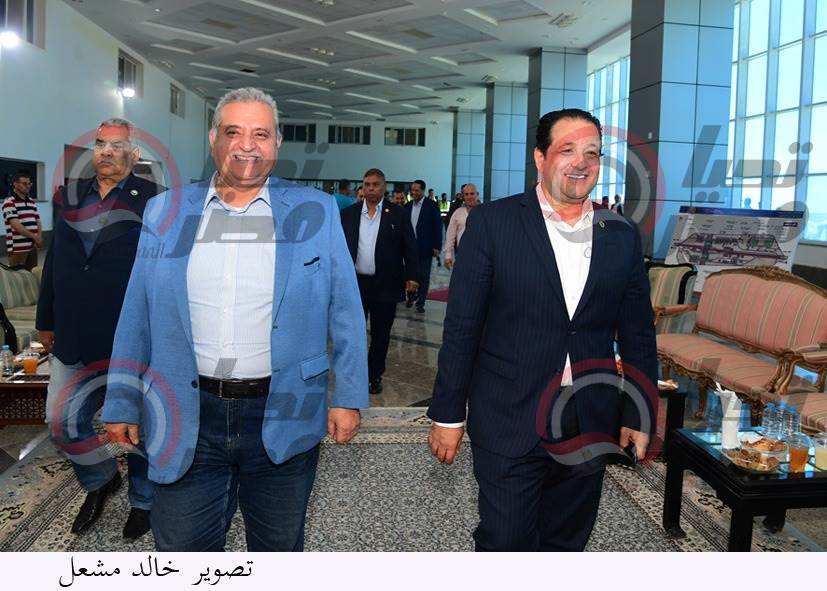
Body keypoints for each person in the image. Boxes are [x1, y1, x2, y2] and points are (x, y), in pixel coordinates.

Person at [101, 88, 368, 551]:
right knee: (182, 552)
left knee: (278, 552)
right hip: (185, 411)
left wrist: (347, 397)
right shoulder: (164, 211)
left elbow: (345, 310)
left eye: (261, 134)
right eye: (233, 132)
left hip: (284, 409)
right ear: (213, 139)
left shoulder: (317, 211)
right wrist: (121, 400)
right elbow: (136, 311)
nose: (247, 145)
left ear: (277, 142)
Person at [427, 108, 657, 552]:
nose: (581, 163)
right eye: (567, 150)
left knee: (566, 542)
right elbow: (462, 328)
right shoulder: (493, 223)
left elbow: (638, 334)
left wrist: (638, 413)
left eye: (593, 153)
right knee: (506, 540)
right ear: (540, 157)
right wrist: (449, 415)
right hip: (510, 413)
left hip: (588, 418)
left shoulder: (621, 234)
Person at [36, 118, 164, 539]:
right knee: (61, 421)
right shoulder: (69, 195)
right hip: (73, 333)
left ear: (134, 154)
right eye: (100, 143)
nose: (107, 151)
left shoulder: (156, 199)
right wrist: (46, 320)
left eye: (117, 144)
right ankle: (101, 478)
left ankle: (143, 502)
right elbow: (56, 259)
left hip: (131, 337)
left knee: (137, 428)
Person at [341, 168, 418, 395]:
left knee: (381, 333)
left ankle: (374, 374)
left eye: (375, 184)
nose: (371, 188)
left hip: (386, 284)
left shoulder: (398, 214)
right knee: (354, 333)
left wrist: (413, 277)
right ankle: (354, 374)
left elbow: (410, 247)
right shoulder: (349, 214)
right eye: (367, 184)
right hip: (356, 285)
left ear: (384, 187)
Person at [404, 179, 442, 313]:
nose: (413, 192)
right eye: (412, 190)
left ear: (423, 191)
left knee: (423, 276)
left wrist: (437, 246)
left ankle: (421, 302)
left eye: (416, 190)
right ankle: (411, 297)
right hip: (409, 248)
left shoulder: (431, 206)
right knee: (410, 275)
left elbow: (438, 226)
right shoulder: (407, 206)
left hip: (425, 247)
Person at [3, 172, 42, 269]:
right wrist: (34, 237)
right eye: (24, 183)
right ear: (15, 184)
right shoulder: (9, 202)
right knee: (18, 276)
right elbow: (16, 225)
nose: (28, 186)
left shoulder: (31, 201)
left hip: (32, 247)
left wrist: (39, 237)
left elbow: (37, 220)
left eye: (29, 184)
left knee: (32, 274)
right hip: (18, 248)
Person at [443, 183, 479, 270]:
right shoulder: (457, 213)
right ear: (463, 196)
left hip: (481, 256)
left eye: (472, 194)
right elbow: (450, 235)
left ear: (477, 195)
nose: (469, 197)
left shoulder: (485, 213)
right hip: (462, 255)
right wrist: (448, 254)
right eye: (466, 194)